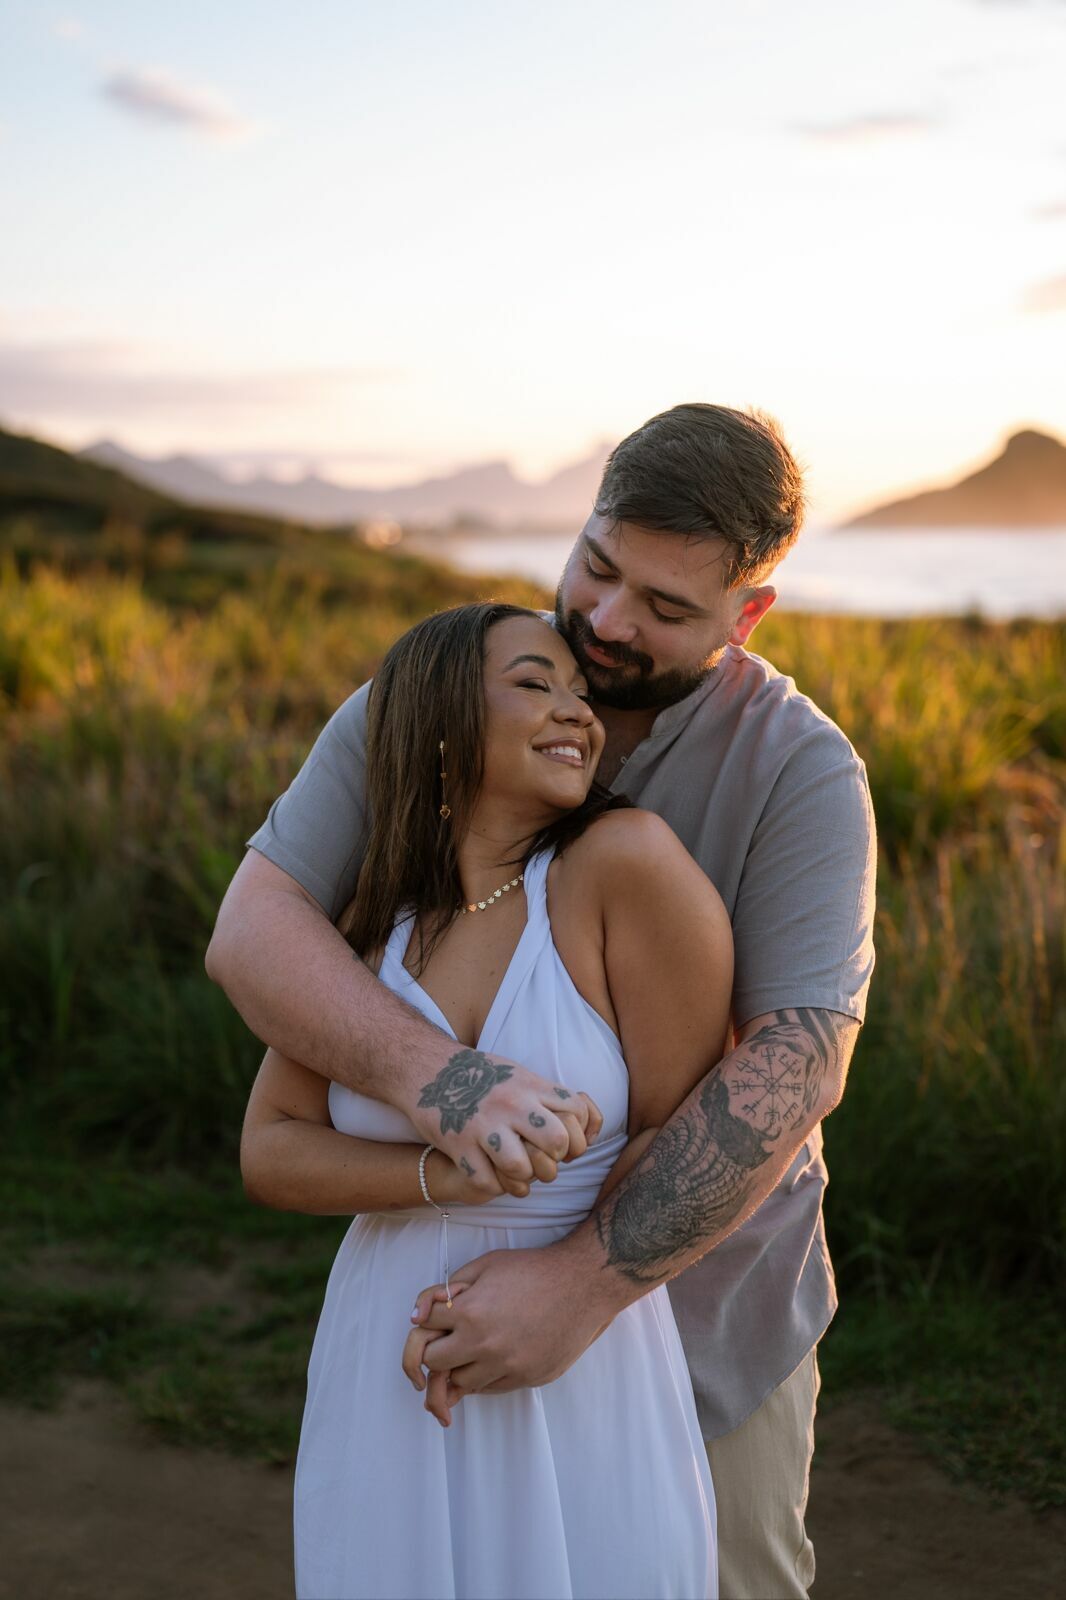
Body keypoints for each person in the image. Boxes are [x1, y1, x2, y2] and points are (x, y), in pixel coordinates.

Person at [207, 403, 877, 1600]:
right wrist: (446, 1084)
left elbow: (794, 1062)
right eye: (598, 567)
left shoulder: (798, 768)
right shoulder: (428, 704)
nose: (610, 623)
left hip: (706, 1319)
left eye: (668, 609)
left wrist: (580, 1288)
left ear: (748, 614)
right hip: (425, 1325)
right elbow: (255, 930)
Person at [240, 602, 731, 1599]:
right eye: (533, 682)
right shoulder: (374, 918)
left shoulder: (624, 866)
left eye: (581, 694)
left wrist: (553, 1294)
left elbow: (682, 1145)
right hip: (390, 1352)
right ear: (438, 716)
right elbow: (271, 1146)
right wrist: (440, 1167)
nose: (577, 713)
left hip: (577, 1356)